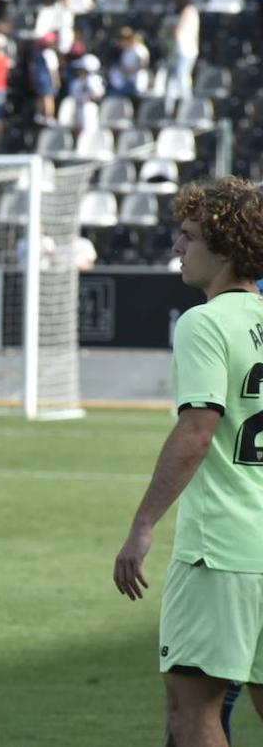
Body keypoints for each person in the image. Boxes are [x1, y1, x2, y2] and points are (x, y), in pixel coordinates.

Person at [113, 177, 263, 747]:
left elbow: (197, 432)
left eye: (190, 236)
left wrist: (142, 527)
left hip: (222, 548)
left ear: (224, 248)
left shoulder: (205, 322)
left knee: (191, 715)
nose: (178, 246)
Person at [165, 0, 199, 111]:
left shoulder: (189, 10)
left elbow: (179, 30)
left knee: (182, 77)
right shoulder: (189, 11)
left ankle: (188, 106)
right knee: (172, 79)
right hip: (180, 50)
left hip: (185, 50)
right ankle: (168, 109)